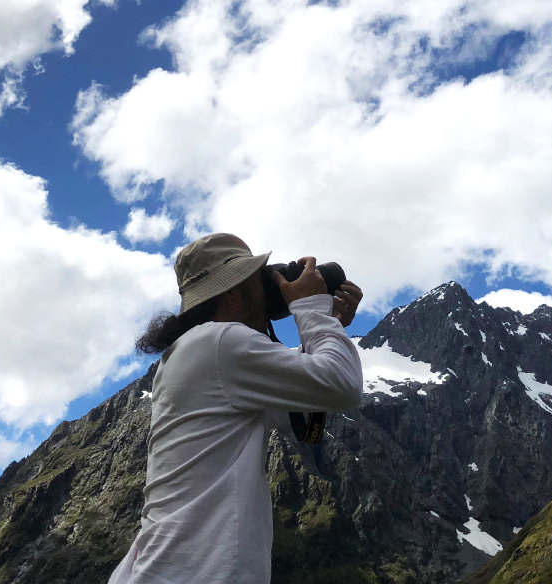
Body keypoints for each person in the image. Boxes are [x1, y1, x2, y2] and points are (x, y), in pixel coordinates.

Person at [108, 232, 364, 584]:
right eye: (261, 279)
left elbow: (304, 410)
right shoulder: (219, 341)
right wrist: (310, 311)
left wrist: (326, 323)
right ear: (231, 291)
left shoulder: (197, 351)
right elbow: (343, 385)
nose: (272, 288)